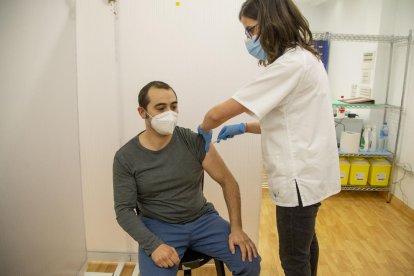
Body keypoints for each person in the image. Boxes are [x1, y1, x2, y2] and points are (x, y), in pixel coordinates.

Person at [197, 0, 341, 275]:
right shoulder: (307, 58)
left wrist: (205, 128)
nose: (249, 39)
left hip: (298, 179)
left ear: (272, 22)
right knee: (306, 243)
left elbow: (218, 113)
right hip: (312, 174)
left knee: (293, 257)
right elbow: (288, 123)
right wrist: (243, 128)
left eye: (251, 30)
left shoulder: (289, 65)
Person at [113, 81, 261, 276]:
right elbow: (124, 210)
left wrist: (237, 228)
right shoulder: (126, 157)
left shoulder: (191, 140)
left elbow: (228, 181)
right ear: (142, 112)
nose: (170, 113)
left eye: (174, 106)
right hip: (159, 225)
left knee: (249, 261)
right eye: (161, 108)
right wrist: (153, 245)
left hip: (202, 219)